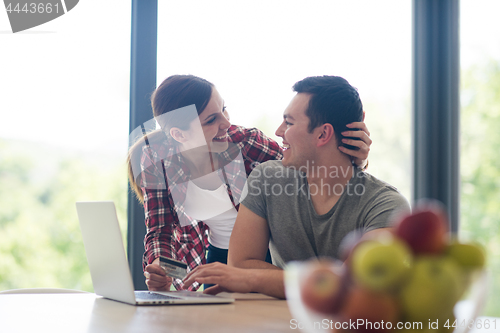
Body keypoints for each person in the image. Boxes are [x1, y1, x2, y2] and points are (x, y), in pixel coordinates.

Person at [127, 75, 372, 291]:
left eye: (224, 110)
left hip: (264, 253)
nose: (226, 123)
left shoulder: (245, 144)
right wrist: (160, 264)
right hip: (213, 258)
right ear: (178, 135)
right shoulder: (155, 159)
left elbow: (310, 165)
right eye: (211, 120)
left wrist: (352, 160)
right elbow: (160, 229)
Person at [182, 75, 410, 298]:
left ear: (323, 134)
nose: (279, 131)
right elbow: (240, 264)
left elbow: (348, 286)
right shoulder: (267, 178)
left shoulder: (387, 206)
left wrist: (256, 278)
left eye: (289, 122)